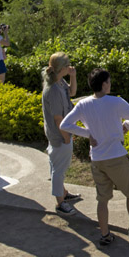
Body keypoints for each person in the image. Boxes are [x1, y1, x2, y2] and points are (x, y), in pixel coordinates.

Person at [59, 68, 129, 247]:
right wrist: (126, 125)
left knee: (102, 199)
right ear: (104, 84)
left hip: (97, 159)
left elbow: (65, 124)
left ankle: (105, 235)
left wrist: (87, 133)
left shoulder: (83, 104)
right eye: (108, 81)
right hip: (117, 156)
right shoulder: (116, 102)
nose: (110, 84)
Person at [41, 52, 80, 215]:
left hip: (58, 134)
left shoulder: (58, 82)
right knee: (59, 170)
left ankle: (63, 193)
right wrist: (66, 137)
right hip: (60, 135)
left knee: (55, 165)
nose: (70, 66)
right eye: (68, 65)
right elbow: (58, 119)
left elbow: (72, 92)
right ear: (62, 68)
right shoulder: (54, 91)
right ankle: (60, 203)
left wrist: (73, 76)